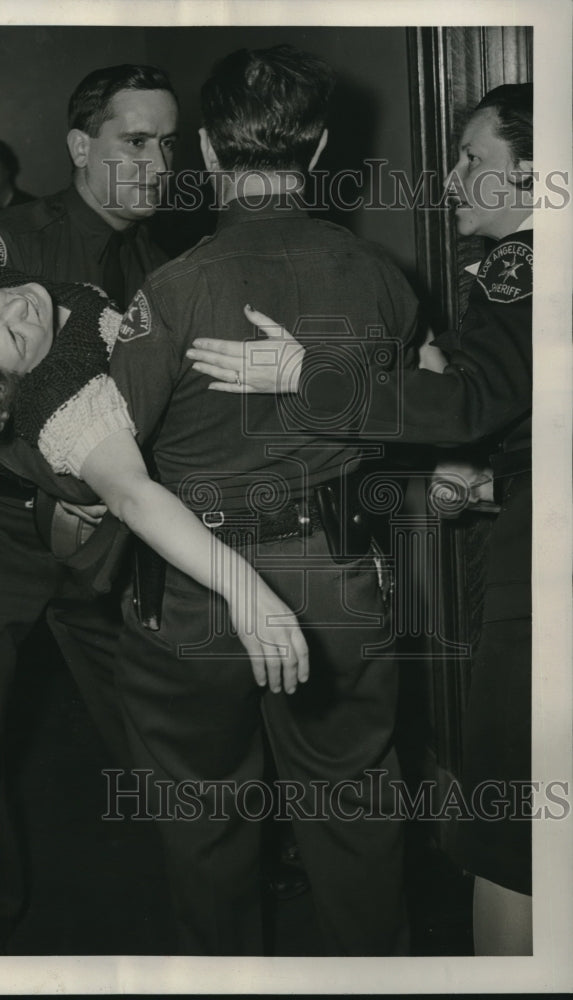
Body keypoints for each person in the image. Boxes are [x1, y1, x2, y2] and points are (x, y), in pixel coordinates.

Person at [187, 83, 534, 956]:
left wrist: (304, 376)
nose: (449, 177)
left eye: (472, 160)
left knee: (513, 834)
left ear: (535, 174)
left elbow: (474, 400)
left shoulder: (522, 262)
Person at [106, 45, 420, 956]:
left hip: (196, 588)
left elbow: (107, 455)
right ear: (318, 149)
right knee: (355, 813)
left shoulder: (171, 289)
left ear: (206, 150)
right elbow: (406, 409)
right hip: (334, 578)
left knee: (205, 823)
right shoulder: (379, 279)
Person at [0, 63, 179, 954]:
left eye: (168, 142)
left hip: (104, 538)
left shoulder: (163, 260)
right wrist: (58, 486)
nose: (158, 161)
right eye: (134, 141)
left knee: (154, 717)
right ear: (81, 145)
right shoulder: (10, 242)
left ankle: (204, 883)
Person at [0, 268, 308, 691]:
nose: (18, 305)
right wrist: (243, 588)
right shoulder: (62, 399)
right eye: (17, 338)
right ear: (21, 384)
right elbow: (134, 496)